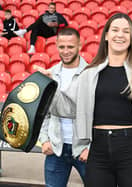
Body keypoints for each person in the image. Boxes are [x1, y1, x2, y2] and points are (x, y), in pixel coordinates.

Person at [36, 13, 132, 187]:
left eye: (126, 31)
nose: (120, 35)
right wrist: (50, 87)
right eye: (115, 30)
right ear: (106, 35)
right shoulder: (89, 73)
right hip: (97, 150)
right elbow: (67, 109)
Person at [38, 28, 88, 187]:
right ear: (56, 45)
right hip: (55, 149)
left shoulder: (92, 74)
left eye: (70, 47)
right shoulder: (50, 74)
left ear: (80, 45)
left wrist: (91, 147)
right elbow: (43, 113)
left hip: (84, 150)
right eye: (62, 47)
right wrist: (44, 140)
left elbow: (101, 115)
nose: (66, 51)